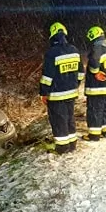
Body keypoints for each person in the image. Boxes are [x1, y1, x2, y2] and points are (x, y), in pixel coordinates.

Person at [39, 22, 80, 154]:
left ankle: (62, 147)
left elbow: (47, 76)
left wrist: (43, 92)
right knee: (69, 118)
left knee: (58, 120)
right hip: (71, 92)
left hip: (56, 94)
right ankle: (72, 144)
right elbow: (81, 73)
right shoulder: (74, 50)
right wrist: (74, 84)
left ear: (52, 36)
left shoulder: (52, 53)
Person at [83, 25, 106, 140]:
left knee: (95, 110)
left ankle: (94, 134)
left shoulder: (97, 48)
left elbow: (94, 61)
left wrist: (95, 72)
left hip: (96, 87)